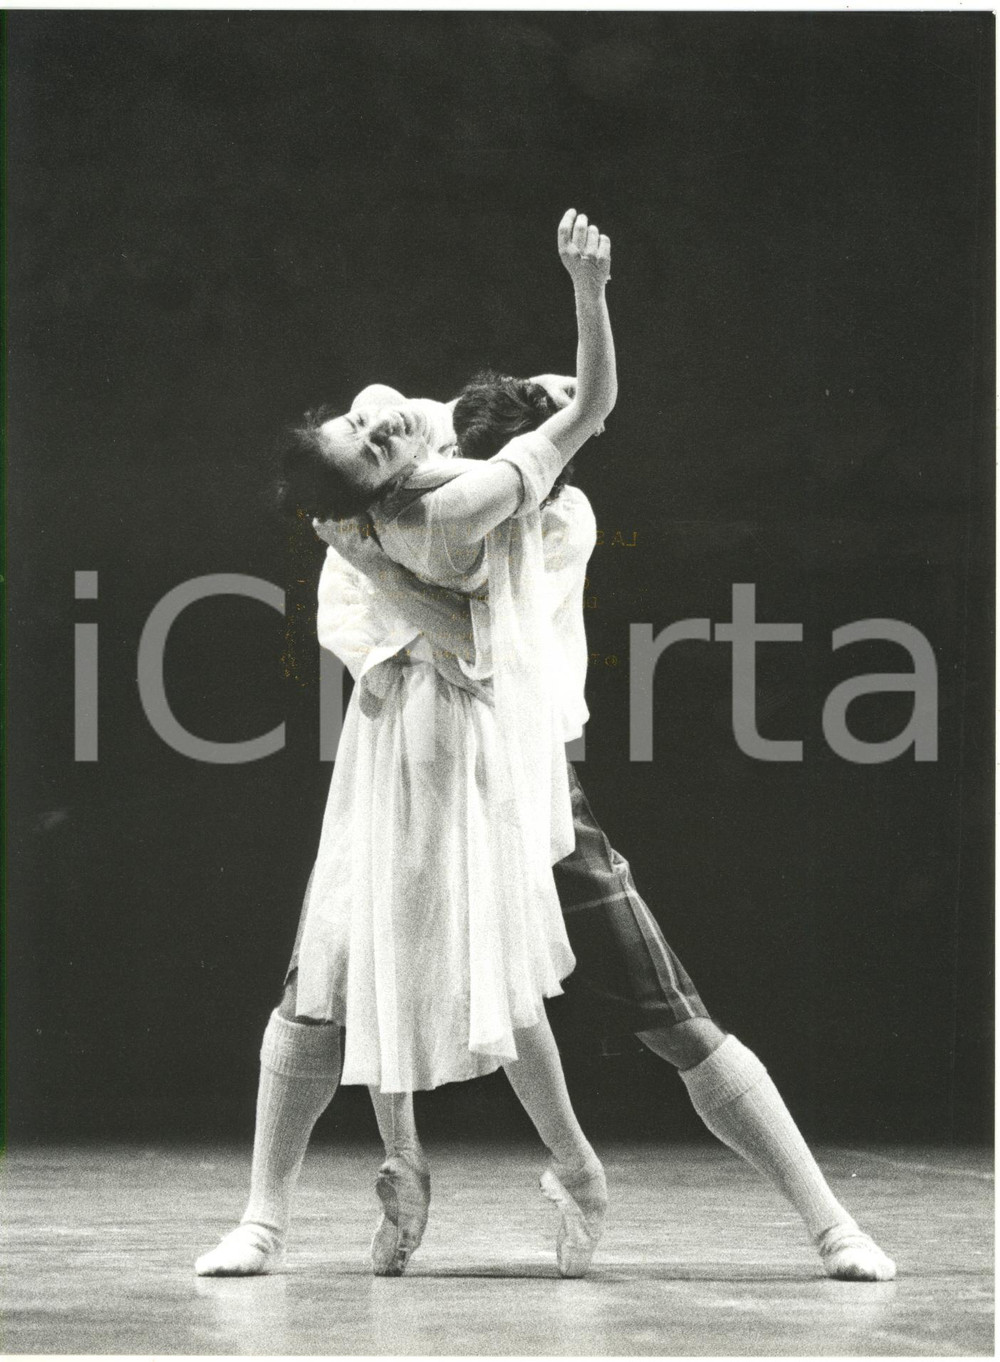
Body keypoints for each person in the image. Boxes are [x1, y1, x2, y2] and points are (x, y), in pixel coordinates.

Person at [196, 209, 616, 1281]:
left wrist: (375, 559)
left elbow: (479, 644)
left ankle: (559, 1166)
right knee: (335, 970)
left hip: (468, 733)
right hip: (399, 730)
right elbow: (584, 409)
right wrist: (583, 306)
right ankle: (302, 1200)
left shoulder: (442, 484)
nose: (378, 418)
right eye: (367, 440)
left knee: (486, 967)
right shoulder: (436, 503)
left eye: (363, 420)